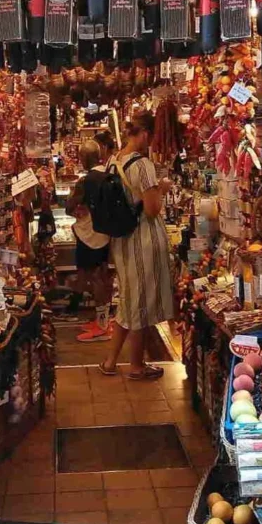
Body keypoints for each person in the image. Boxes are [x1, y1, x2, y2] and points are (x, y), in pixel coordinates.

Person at [100, 111, 175, 380]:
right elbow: (152, 209)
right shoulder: (142, 165)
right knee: (142, 301)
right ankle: (136, 365)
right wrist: (162, 188)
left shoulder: (113, 161)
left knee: (129, 300)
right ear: (144, 134)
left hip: (122, 240)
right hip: (143, 239)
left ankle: (110, 362)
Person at [65, 140, 112, 342]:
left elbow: (69, 207)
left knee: (97, 278)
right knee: (101, 275)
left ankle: (102, 326)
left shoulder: (87, 181)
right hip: (103, 234)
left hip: (90, 236)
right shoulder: (109, 174)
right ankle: (102, 320)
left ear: (84, 158)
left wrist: (73, 201)